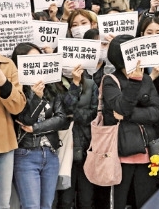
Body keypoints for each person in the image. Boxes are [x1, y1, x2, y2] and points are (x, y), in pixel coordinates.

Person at [102, 35, 159, 209]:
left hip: (147, 153)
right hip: (121, 153)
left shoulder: (146, 79)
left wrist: (128, 116)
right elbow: (121, 106)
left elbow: (156, 112)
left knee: (146, 202)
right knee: (119, 202)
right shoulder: (110, 81)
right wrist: (134, 82)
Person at [11, 43, 68, 209]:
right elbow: (25, 120)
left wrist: (36, 128)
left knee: (47, 205)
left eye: (38, 58)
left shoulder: (51, 86)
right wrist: (36, 97)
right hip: (26, 155)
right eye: (30, 60)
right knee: (31, 206)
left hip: (50, 153)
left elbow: (61, 119)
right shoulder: (17, 90)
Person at [0, 49, 26, 208]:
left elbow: (18, 107)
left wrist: (2, 80)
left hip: (2, 144)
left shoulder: (7, 64)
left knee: (2, 202)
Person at [56, 63, 98, 208]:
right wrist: (74, 83)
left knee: (87, 198)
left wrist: (73, 115)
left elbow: (94, 114)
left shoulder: (91, 84)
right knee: (66, 198)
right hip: (64, 145)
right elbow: (62, 112)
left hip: (86, 143)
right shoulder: (55, 84)